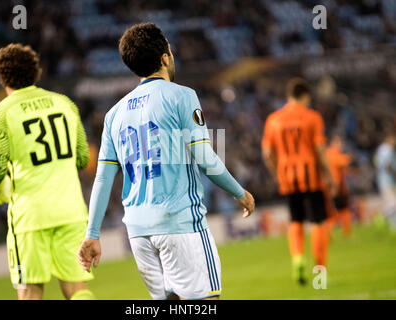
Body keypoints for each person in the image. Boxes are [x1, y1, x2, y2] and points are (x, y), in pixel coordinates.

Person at [78, 23, 255, 300]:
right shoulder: (181, 96)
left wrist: (92, 233)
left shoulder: (114, 114)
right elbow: (205, 159)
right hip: (179, 223)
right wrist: (239, 192)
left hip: (138, 232)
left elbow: (103, 178)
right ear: (165, 57)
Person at [0, 43, 94, 300]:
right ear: (37, 71)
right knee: (77, 289)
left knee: (30, 290)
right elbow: (82, 157)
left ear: (1, 78)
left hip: (30, 217)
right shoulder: (63, 103)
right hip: (71, 211)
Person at [262, 78, 336, 285]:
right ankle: (319, 275)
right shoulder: (312, 117)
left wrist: (277, 173)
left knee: (296, 220)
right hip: (311, 176)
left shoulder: (273, 119)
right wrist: (329, 175)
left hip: (288, 177)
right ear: (305, 96)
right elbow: (320, 149)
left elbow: (267, 153)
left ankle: (297, 259)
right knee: (318, 222)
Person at [325, 135, 352, 237]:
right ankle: (345, 233)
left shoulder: (327, 154)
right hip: (336, 187)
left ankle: (329, 234)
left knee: (332, 211)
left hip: (328, 187)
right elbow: (345, 161)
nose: (341, 146)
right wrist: (350, 157)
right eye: (339, 143)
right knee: (342, 210)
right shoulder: (334, 154)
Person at [374, 134, 396, 230]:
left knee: (391, 203)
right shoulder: (387, 149)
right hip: (388, 180)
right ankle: (380, 218)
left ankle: (392, 226)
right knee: (392, 204)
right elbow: (388, 165)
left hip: (382, 180)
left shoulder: (380, 149)